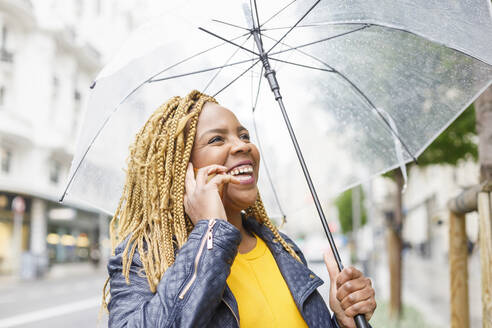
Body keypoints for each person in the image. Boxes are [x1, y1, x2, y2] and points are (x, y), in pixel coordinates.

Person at [104, 90, 376, 327]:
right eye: (217, 140)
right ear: (178, 171)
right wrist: (210, 234)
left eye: (244, 135)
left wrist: (343, 322)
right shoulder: (142, 259)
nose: (243, 145)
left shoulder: (283, 248)